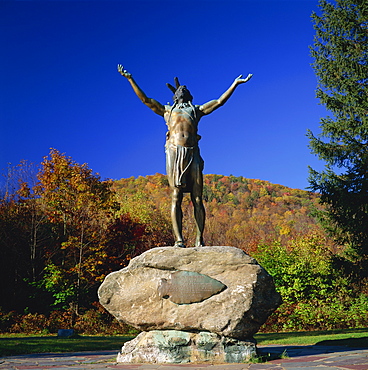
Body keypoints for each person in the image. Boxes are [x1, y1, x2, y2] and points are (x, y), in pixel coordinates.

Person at [118, 65, 252, 247]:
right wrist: (130, 79)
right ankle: (179, 240)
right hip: (174, 152)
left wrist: (234, 84)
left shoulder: (195, 110)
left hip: (192, 152)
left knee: (197, 198)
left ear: (188, 96)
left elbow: (219, 102)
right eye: (180, 89)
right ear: (175, 96)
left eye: (185, 89)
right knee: (176, 196)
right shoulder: (168, 111)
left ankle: (199, 239)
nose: (182, 89)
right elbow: (146, 100)